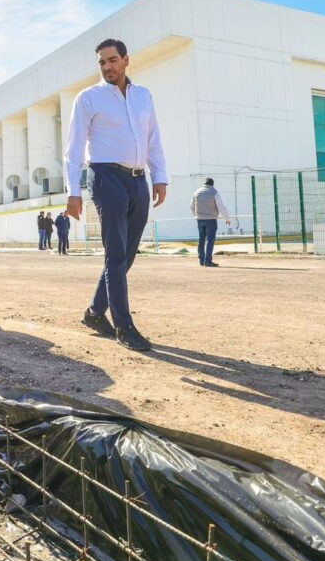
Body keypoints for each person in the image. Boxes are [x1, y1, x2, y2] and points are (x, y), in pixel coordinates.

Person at [65, 38, 167, 352]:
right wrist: (73, 191)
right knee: (116, 254)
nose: (107, 67)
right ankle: (125, 327)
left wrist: (159, 177)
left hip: (138, 180)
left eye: (112, 60)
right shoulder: (88, 98)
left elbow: (153, 139)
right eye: (102, 62)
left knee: (128, 254)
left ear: (126, 60)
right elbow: (73, 149)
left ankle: (95, 313)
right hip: (105, 177)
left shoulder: (143, 95)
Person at [189, 177, 233, 267]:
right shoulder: (214, 192)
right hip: (211, 220)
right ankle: (208, 261)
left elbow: (191, 206)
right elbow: (221, 207)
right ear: (212, 184)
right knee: (210, 240)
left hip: (200, 220)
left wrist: (196, 215)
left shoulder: (196, 192)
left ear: (204, 183)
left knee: (201, 240)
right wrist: (227, 218)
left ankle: (201, 260)